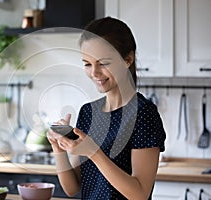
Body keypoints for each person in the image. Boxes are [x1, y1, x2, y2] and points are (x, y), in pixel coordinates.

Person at [47, 16, 166, 200]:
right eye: (87, 64)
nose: (94, 72)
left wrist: (93, 152)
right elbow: (72, 188)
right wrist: (59, 148)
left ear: (128, 59)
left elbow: (140, 194)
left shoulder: (143, 113)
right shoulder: (88, 112)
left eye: (103, 63)